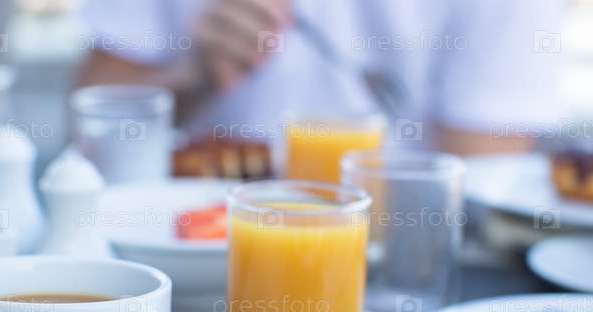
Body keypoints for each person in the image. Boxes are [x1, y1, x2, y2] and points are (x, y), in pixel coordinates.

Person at [76, 0, 566, 156]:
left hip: (383, 280)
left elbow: (478, 181)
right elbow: (87, 128)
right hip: (181, 248)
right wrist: (195, 76)